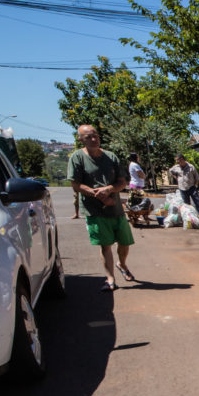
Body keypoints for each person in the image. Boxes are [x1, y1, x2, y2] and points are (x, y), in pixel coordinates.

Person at [68, 124, 134, 291]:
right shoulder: (77, 158)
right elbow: (75, 184)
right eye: (89, 136)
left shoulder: (111, 156)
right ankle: (110, 278)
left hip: (116, 209)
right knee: (105, 245)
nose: (93, 138)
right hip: (95, 211)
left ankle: (122, 264)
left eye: (95, 135)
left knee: (125, 242)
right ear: (80, 139)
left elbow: (122, 182)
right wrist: (97, 194)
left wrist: (109, 189)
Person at [169, 155, 199, 220]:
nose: (177, 162)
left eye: (178, 160)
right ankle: (190, 218)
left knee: (197, 202)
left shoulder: (191, 167)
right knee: (186, 204)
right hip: (182, 188)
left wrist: (195, 185)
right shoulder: (176, 167)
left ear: (182, 159)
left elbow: (197, 177)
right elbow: (170, 171)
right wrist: (175, 177)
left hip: (191, 187)